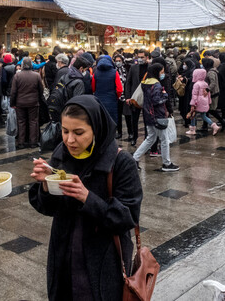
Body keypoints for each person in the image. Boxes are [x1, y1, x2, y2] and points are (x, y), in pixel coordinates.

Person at [29, 95, 142, 301]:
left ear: (96, 129)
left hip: (103, 262)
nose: (70, 140)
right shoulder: (61, 154)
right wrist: (45, 186)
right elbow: (47, 208)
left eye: (78, 133)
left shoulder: (121, 162)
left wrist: (87, 198)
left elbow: (128, 217)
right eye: (65, 131)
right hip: (63, 257)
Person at [132, 64, 179, 172]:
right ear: (157, 72)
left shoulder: (145, 83)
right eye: (161, 72)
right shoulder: (156, 85)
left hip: (148, 114)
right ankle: (166, 163)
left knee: (150, 138)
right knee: (164, 140)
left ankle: (135, 158)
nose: (162, 74)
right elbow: (157, 100)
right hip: (158, 115)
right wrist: (165, 95)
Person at [10, 57, 43, 148]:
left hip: (20, 103)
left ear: (23, 65)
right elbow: (41, 89)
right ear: (31, 65)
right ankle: (33, 142)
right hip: (33, 102)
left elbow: (13, 92)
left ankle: (21, 142)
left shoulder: (17, 76)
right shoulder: (36, 75)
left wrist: (12, 103)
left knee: (21, 122)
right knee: (33, 122)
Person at [92, 55, 123, 130]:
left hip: (98, 100)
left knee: (101, 120)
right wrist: (116, 97)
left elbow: (93, 88)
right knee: (111, 121)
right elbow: (119, 89)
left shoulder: (95, 73)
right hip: (111, 100)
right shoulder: (114, 72)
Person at [125, 50, 149, 146]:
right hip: (135, 97)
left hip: (147, 97)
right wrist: (128, 97)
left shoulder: (150, 68)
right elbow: (128, 82)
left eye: (142, 57)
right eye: (138, 57)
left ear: (147, 57)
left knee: (147, 120)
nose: (140, 59)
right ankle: (134, 137)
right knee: (134, 119)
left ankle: (147, 139)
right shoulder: (133, 67)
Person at [186, 68, 219, 136]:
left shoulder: (196, 84)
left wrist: (193, 104)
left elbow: (194, 95)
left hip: (197, 103)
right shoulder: (205, 84)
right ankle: (214, 126)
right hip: (204, 102)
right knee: (203, 116)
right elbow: (208, 94)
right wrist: (209, 102)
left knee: (193, 115)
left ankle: (192, 129)